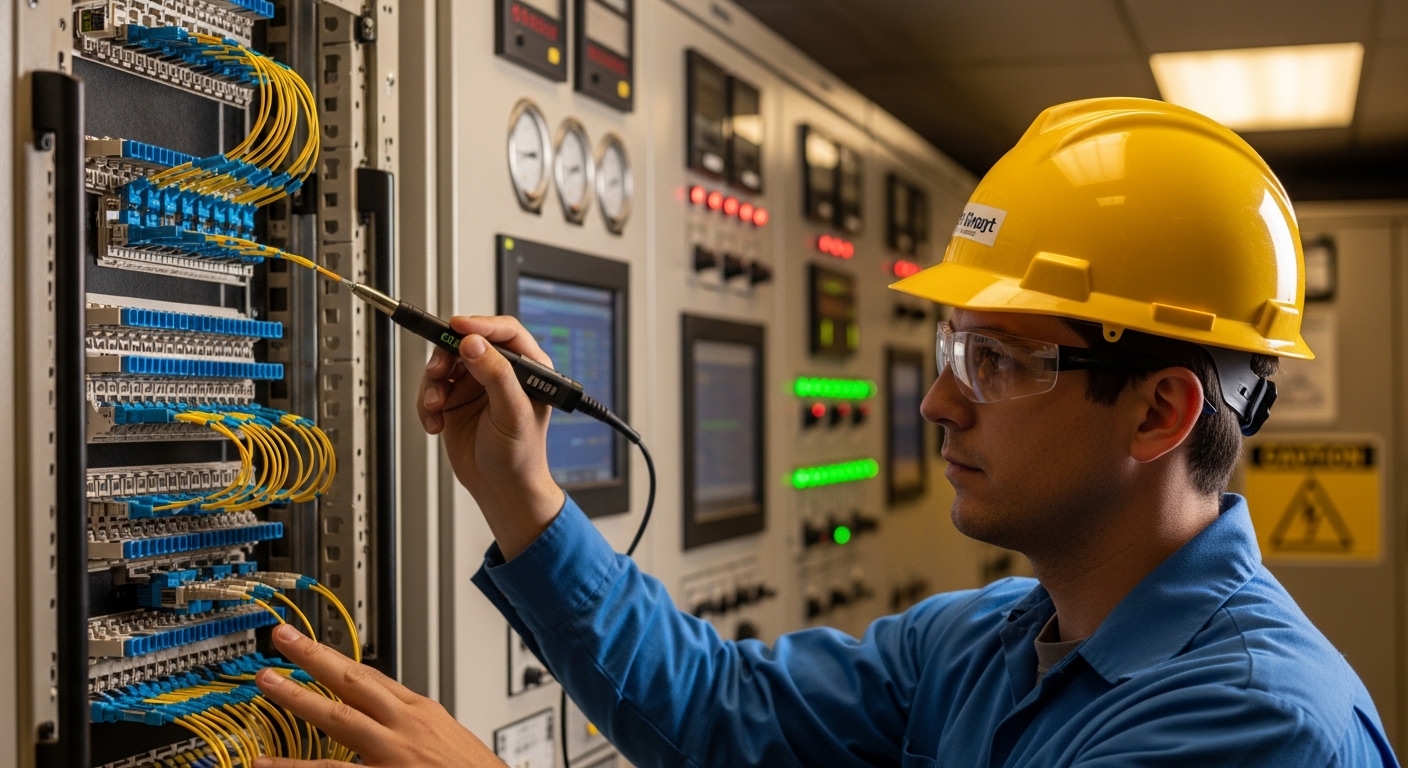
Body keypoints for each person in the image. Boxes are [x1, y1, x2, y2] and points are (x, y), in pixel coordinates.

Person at [249, 97, 1401, 767]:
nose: (938, 402)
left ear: (1159, 411)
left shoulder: (1254, 727)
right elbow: (719, 709)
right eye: (952, 351)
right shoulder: (992, 642)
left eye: (997, 362)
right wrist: (521, 492)